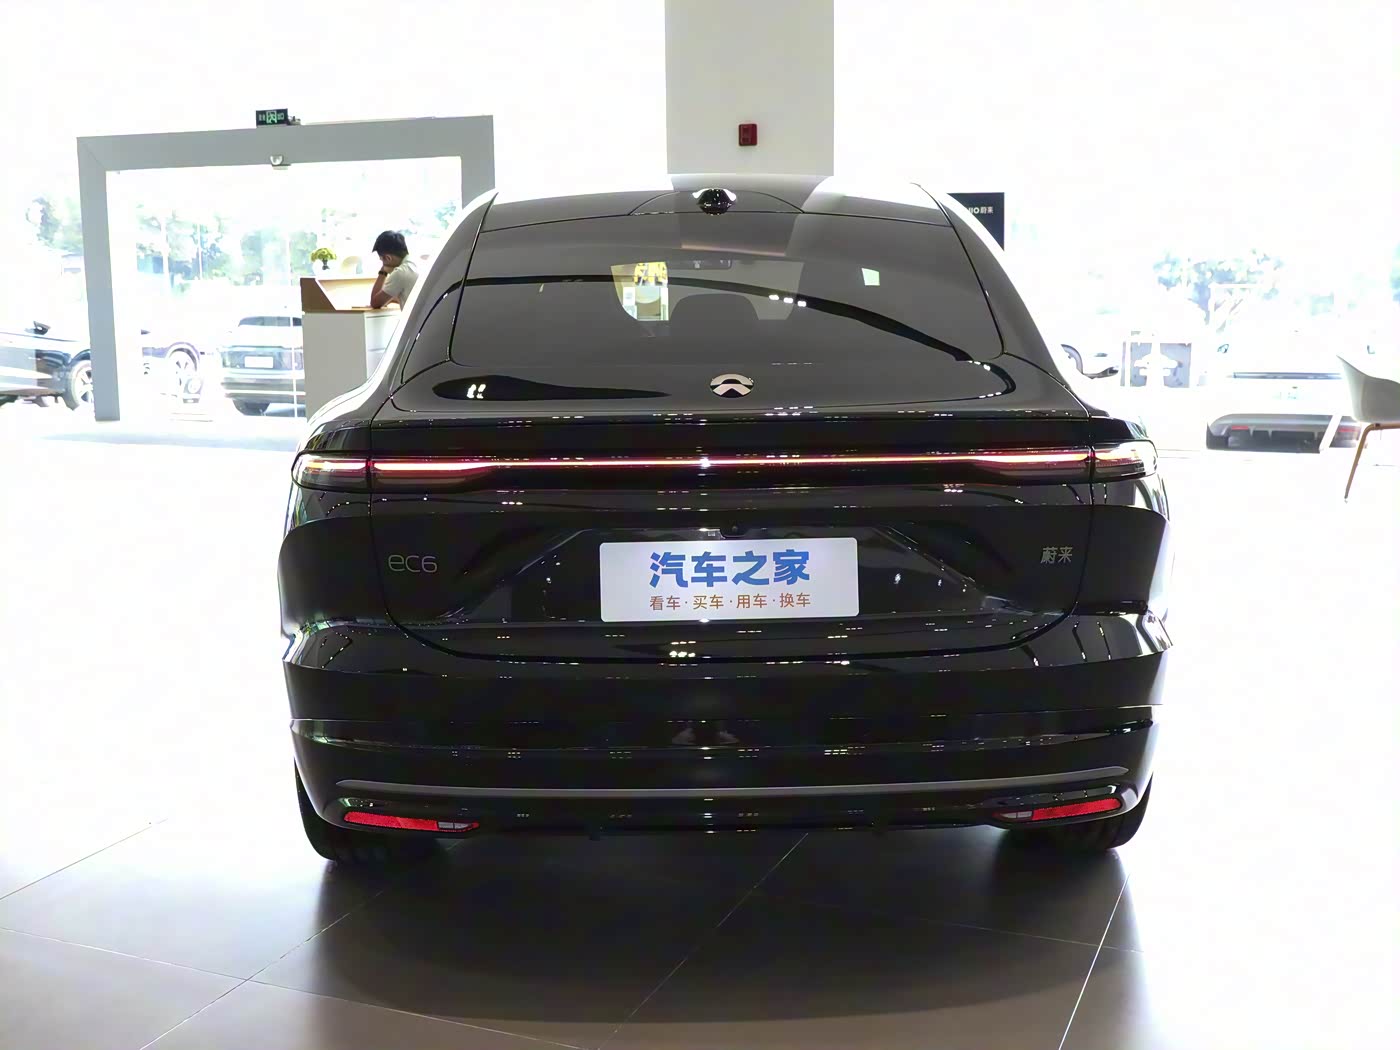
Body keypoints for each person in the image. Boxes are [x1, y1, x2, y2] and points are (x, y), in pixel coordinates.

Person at [369, 230, 418, 308]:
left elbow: (375, 303)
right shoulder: (415, 263)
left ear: (388, 258)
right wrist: (391, 299)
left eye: (382, 260)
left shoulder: (400, 272)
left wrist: (383, 272)